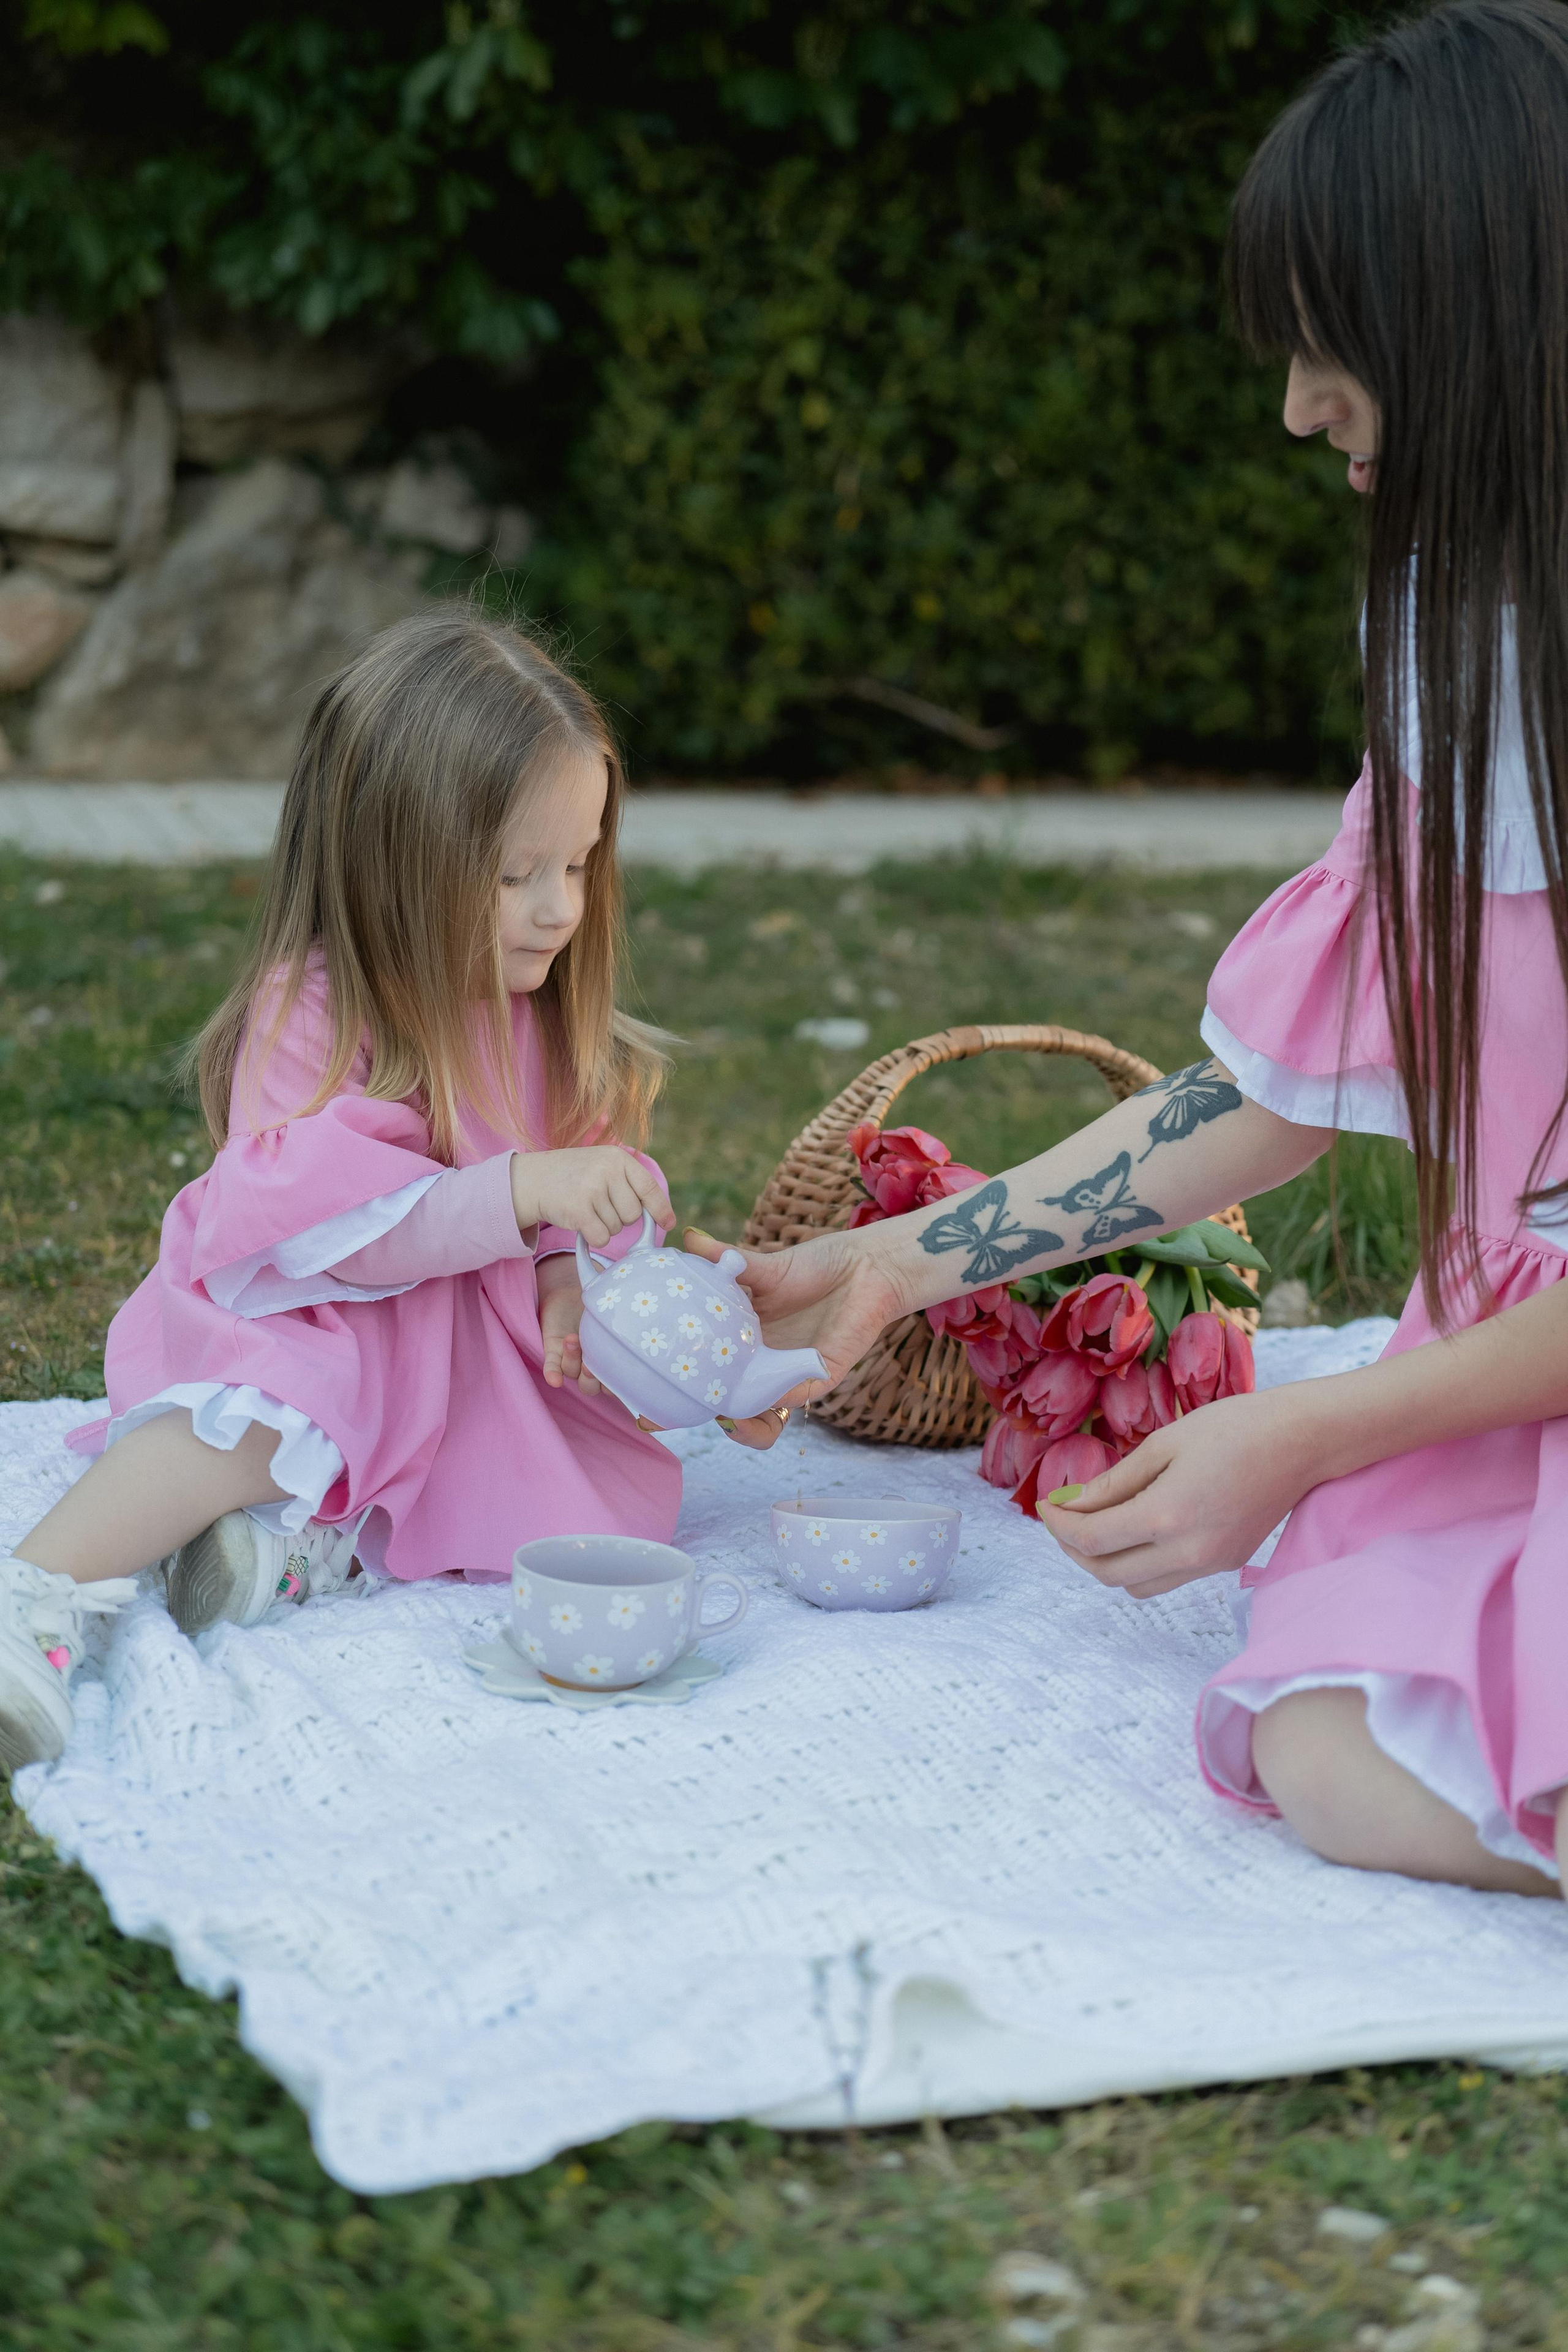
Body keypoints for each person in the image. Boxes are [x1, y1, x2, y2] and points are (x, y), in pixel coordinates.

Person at [701, 0, 1568, 1898]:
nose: (1298, 408)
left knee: (1359, 1753)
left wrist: (1312, 1431)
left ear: (1488, 315)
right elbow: (1276, 1096)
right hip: (1523, 1372)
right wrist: (902, 1262)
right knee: (1339, 1727)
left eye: (1338, 347)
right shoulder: (1468, 633)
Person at [0, 610, 774, 1773]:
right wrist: (524, 1190)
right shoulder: (319, 1007)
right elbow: (338, 1232)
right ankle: (38, 1598)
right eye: (518, 874)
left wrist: (590, 1290)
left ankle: (313, 1550)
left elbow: (568, 1202)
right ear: (388, 864)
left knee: (590, 1501)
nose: (561, 908)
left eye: (579, 862)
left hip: (465, 1349)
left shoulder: (547, 1019)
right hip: (324, 1319)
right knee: (269, 1418)